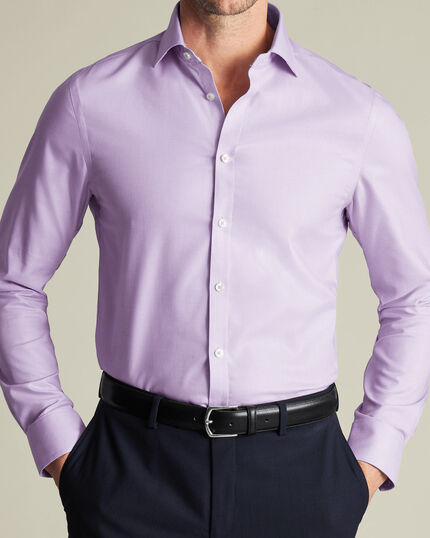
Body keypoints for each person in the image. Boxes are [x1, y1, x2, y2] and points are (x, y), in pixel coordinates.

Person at [1, 1, 429, 536]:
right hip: (131, 472)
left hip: (301, 479)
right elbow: (13, 281)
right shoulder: (90, 103)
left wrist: (367, 463)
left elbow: (414, 297)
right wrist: (60, 446)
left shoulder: (356, 116)